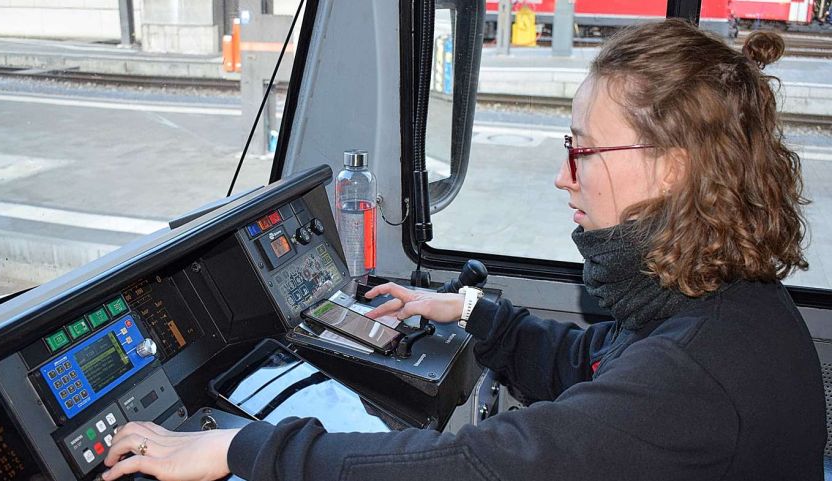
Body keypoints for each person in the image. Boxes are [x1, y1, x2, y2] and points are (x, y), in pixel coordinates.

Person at [99, 19, 826, 481]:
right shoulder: (717, 306)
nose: (560, 175)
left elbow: (481, 464)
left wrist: (238, 449)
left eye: (581, 150)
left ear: (671, 167)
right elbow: (591, 362)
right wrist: (471, 310)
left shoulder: (694, 373)